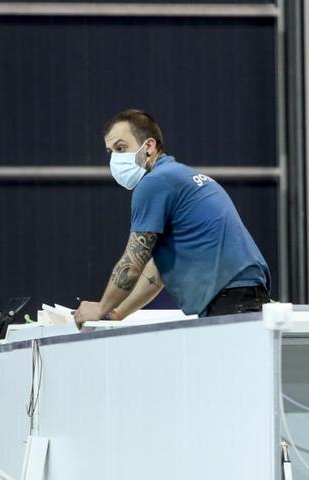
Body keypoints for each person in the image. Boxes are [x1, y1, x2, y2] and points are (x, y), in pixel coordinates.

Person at [74, 109, 270, 328]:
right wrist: (118, 313)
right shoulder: (178, 176)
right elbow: (156, 274)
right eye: (111, 152)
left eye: (121, 148)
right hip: (243, 294)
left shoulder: (155, 182)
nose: (115, 159)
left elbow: (132, 263)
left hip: (230, 298)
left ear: (149, 146)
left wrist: (100, 308)